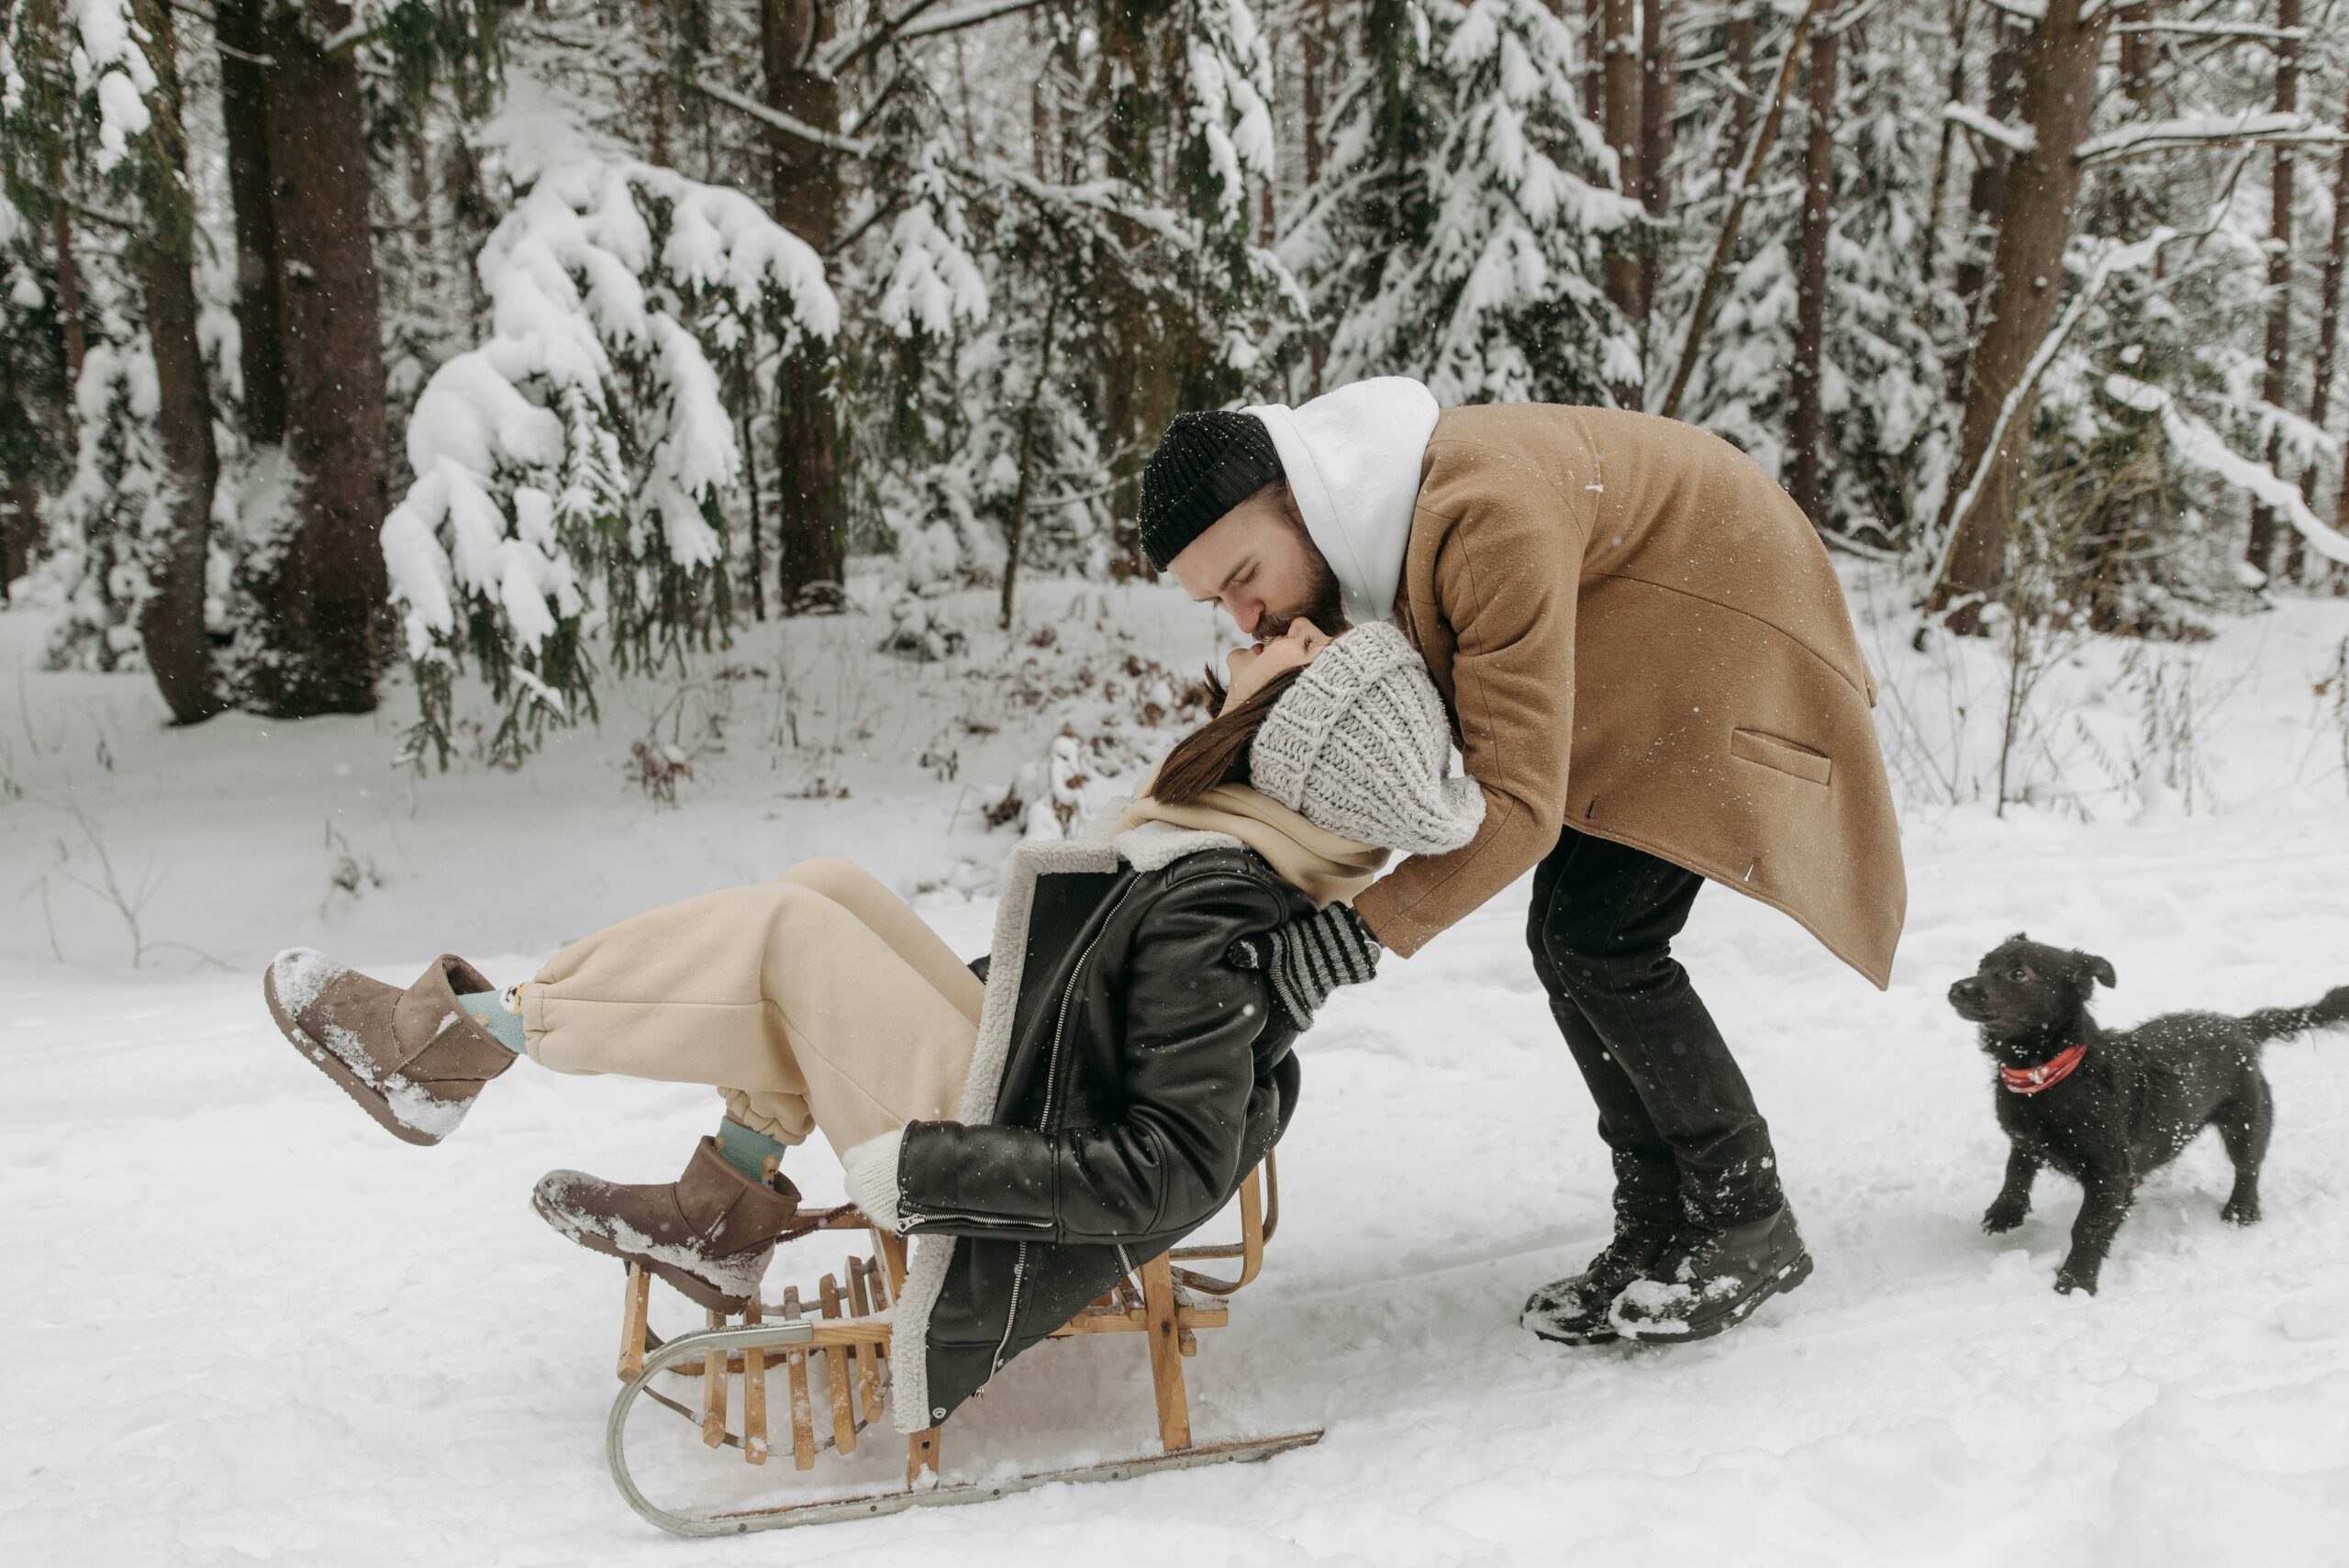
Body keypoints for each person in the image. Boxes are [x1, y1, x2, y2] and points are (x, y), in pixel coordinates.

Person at [261, 619, 1479, 1432]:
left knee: (791, 942)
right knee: (828, 890)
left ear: (1305, 732)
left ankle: (463, 1042)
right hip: (1016, 1080)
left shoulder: (1220, 891)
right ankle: (724, 1208)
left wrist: (925, 1169)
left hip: (995, 1140)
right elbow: (1081, 1008)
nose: (1276, 630)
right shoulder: (1227, 846)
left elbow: (1171, 1163)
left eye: (1300, 647)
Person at [1140, 377, 1906, 1345]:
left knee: (1603, 937)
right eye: (1220, 600)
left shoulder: (1482, 515)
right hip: (1639, 649)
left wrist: (1348, 936)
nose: (1246, 617)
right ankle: (1665, 1220)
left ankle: (1746, 1219)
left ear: (1299, 500)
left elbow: (1514, 806)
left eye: (1246, 574)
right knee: (1572, 937)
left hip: (1721, 634)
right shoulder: (1386, 531)